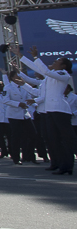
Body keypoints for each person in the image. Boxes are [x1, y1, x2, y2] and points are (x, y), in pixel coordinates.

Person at [18, 47, 75, 176]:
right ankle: (61, 164)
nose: (54, 62)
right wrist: (20, 56)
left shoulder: (63, 74)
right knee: (54, 139)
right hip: (50, 111)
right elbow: (38, 69)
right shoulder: (50, 77)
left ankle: (67, 165)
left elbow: (45, 71)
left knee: (67, 140)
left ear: (63, 65)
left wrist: (37, 57)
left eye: (57, 61)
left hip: (60, 110)